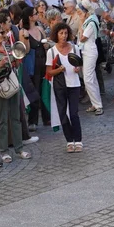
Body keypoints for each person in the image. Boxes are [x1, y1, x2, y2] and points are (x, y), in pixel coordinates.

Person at [0, 23, 29, 162]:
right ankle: (4, 150)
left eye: (2, 32)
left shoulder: (8, 47)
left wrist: (18, 60)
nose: (0, 35)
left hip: (12, 84)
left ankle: (19, 148)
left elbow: (17, 64)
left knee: (16, 117)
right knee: (2, 119)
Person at [45, 22, 84, 152]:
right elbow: (49, 72)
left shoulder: (75, 48)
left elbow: (79, 64)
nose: (64, 36)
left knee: (73, 113)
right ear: (56, 35)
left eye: (66, 33)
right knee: (63, 113)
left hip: (74, 84)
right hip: (60, 86)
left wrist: (78, 69)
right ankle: (69, 141)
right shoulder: (51, 51)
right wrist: (59, 70)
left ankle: (78, 140)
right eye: (61, 33)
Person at [78, 0, 104, 115]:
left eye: (80, 11)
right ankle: (95, 103)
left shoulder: (90, 22)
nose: (79, 13)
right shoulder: (90, 20)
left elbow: (82, 38)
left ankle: (98, 105)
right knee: (91, 78)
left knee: (88, 79)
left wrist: (81, 21)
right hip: (87, 51)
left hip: (89, 51)